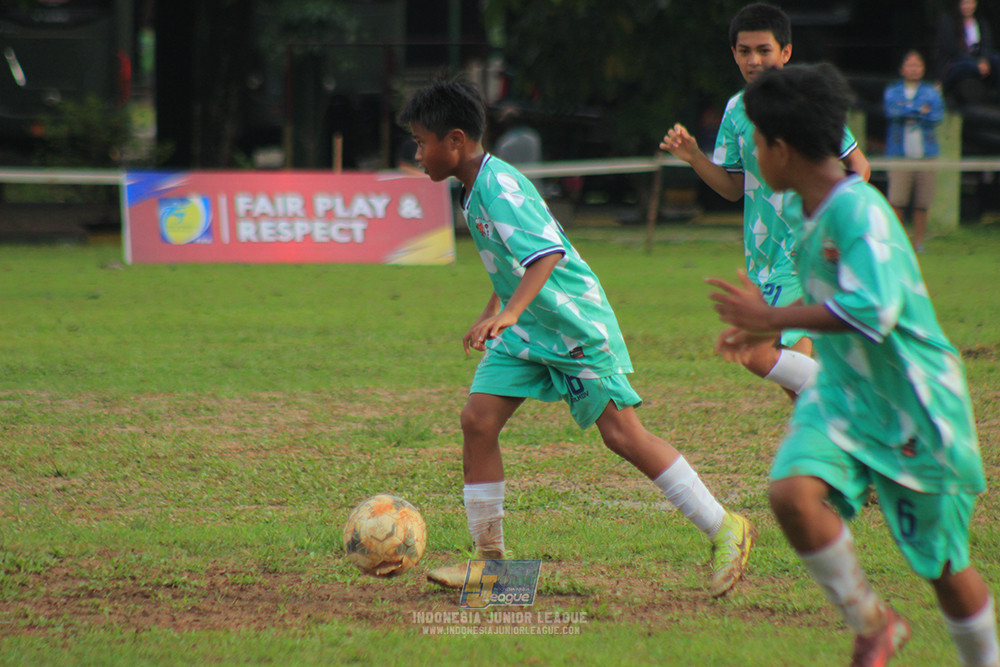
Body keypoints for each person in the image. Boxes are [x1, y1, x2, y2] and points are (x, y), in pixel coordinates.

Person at [399, 78, 755, 598]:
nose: (416, 153)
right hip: (526, 329)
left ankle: (726, 527)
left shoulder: (499, 187)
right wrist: (493, 311)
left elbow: (546, 256)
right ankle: (493, 567)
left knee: (622, 435)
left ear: (454, 140)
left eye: (419, 141)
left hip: (572, 325)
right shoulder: (471, 186)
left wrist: (509, 312)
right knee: (477, 421)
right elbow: (508, 264)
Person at [707, 63, 998, 667]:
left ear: (782, 150)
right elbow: (829, 304)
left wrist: (771, 319)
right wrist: (769, 318)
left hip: (914, 405)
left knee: (945, 567)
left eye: (758, 143)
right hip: (845, 394)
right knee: (791, 493)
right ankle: (874, 622)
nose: (753, 155)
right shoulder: (811, 214)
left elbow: (874, 311)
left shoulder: (859, 211)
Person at [660, 2, 871, 402]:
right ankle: (826, 449)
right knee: (794, 380)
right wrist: (694, 158)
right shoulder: (735, 110)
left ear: (785, 52)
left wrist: (830, 224)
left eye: (764, 50)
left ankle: (844, 411)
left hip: (801, 249)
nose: (754, 60)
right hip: (762, 256)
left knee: (759, 353)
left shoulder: (804, 102)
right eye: (744, 51)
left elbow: (858, 167)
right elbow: (731, 188)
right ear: (734, 54)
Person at [884, 50, 945, 253]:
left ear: (923, 68)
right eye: (910, 65)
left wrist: (908, 109)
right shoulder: (893, 91)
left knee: (922, 202)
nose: (913, 69)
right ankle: (897, 241)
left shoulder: (931, 92)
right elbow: (892, 111)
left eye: (917, 65)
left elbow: (936, 115)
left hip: (926, 155)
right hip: (899, 154)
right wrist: (919, 110)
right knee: (897, 201)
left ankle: (919, 243)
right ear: (902, 69)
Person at [936, 0, 1000, 105]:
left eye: (970, 3)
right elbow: (953, 49)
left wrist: (984, 60)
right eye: (964, 3)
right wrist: (975, 62)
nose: (967, 6)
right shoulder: (949, 23)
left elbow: (986, 44)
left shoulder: (980, 23)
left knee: (996, 60)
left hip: (978, 58)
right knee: (968, 65)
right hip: (957, 60)